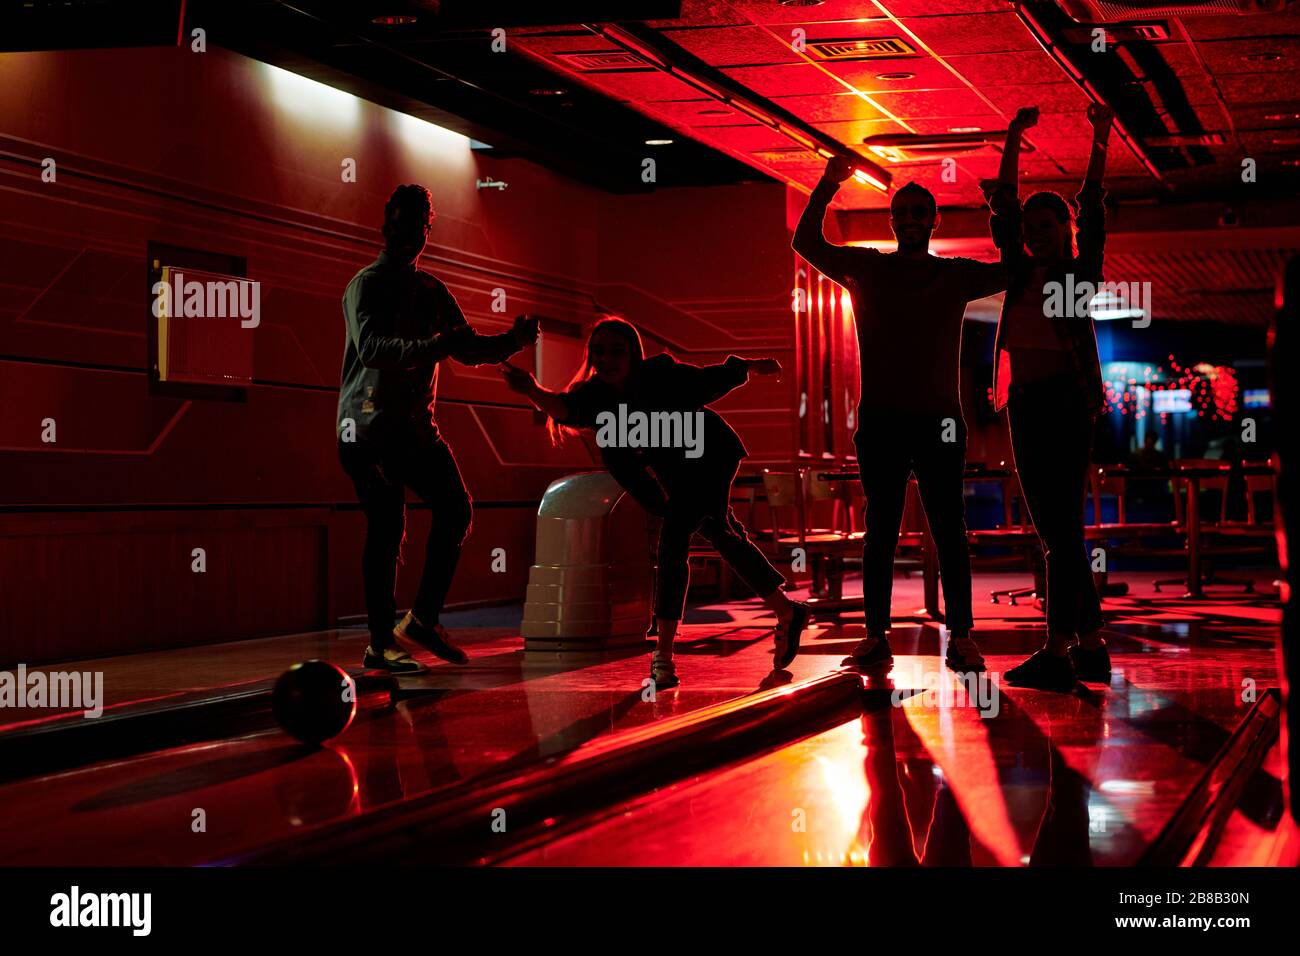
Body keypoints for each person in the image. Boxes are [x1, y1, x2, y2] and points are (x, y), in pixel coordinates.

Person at [500, 317, 809, 689]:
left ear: (633, 353)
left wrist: (746, 367)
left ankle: (663, 655)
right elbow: (567, 409)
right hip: (675, 469)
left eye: (617, 351)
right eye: (598, 351)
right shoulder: (596, 393)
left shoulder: (659, 374)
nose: (607, 359)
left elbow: (704, 382)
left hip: (710, 454)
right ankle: (788, 612)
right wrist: (531, 389)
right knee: (721, 533)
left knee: (674, 538)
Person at [792, 157, 1014, 673]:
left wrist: (1001, 206)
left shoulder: (952, 275)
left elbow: (1011, 270)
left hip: (937, 421)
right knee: (882, 532)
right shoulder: (867, 268)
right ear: (892, 220)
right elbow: (805, 243)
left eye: (920, 211)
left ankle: (961, 636)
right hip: (884, 422)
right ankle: (876, 637)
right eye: (903, 211)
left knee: (949, 529)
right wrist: (826, 186)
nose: (911, 218)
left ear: (934, 221)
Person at [337, 184, 539, 674]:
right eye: (406, 224)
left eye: (422, 226)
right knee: (388, 527)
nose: (414, 234)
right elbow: (373, 350)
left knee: (455, 508)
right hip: (366, 431)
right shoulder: (366, 284)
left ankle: (422, 620)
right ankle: (380, 643)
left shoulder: (431, 290)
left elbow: (465, 349)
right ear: (387, 225)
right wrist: (436, 345)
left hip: (414, 432)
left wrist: (510, 342)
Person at [985, 104, 1115, 692]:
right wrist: (1011, 138)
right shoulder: (1016, 271)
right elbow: (1004, 207)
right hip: (1027, 403)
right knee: (1059, 531)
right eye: (1032, 229)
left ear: (1064, 231)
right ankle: (1089, 647)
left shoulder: (1078, 273)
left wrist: (1100, 137)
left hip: (1064, 401)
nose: (1036, 234)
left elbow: (1094, 208)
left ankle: (1060, 649)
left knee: (1059, 531)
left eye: (1048, 226)